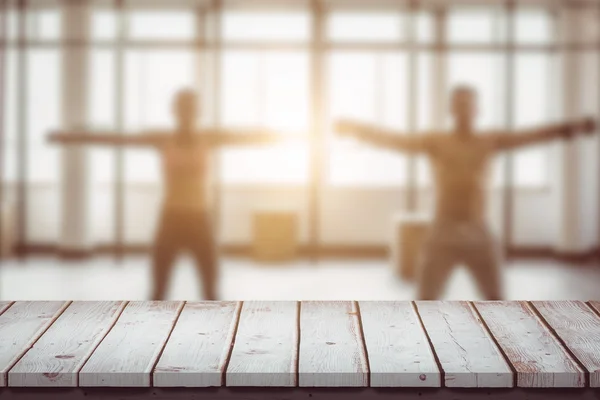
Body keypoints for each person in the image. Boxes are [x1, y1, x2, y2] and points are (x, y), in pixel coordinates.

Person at [335, 85, 597, 300]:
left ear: (477, 109)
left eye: (468, 104)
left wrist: (571, 128)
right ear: (452, 109)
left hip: (479, 233)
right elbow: (398, 141)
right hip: (442, 233)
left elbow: (530, 136)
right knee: (425, 302)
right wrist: (358, 130)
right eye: (458, 104)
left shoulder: (489, 140)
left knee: (496, 302)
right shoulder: (436, 141)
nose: (463, 109)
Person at [50, 89, 298, 300]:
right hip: (171, 220)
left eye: (191, 108)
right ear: (175, 111)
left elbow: (245, 137)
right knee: (158, 293)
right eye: (182, 108)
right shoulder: (163, 138)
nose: (187, 113)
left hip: (200, 221)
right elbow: (119, 138)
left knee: (211, 293)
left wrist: (291, 134)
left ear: (197, 112)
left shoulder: (208, 137)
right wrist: (73, 136)